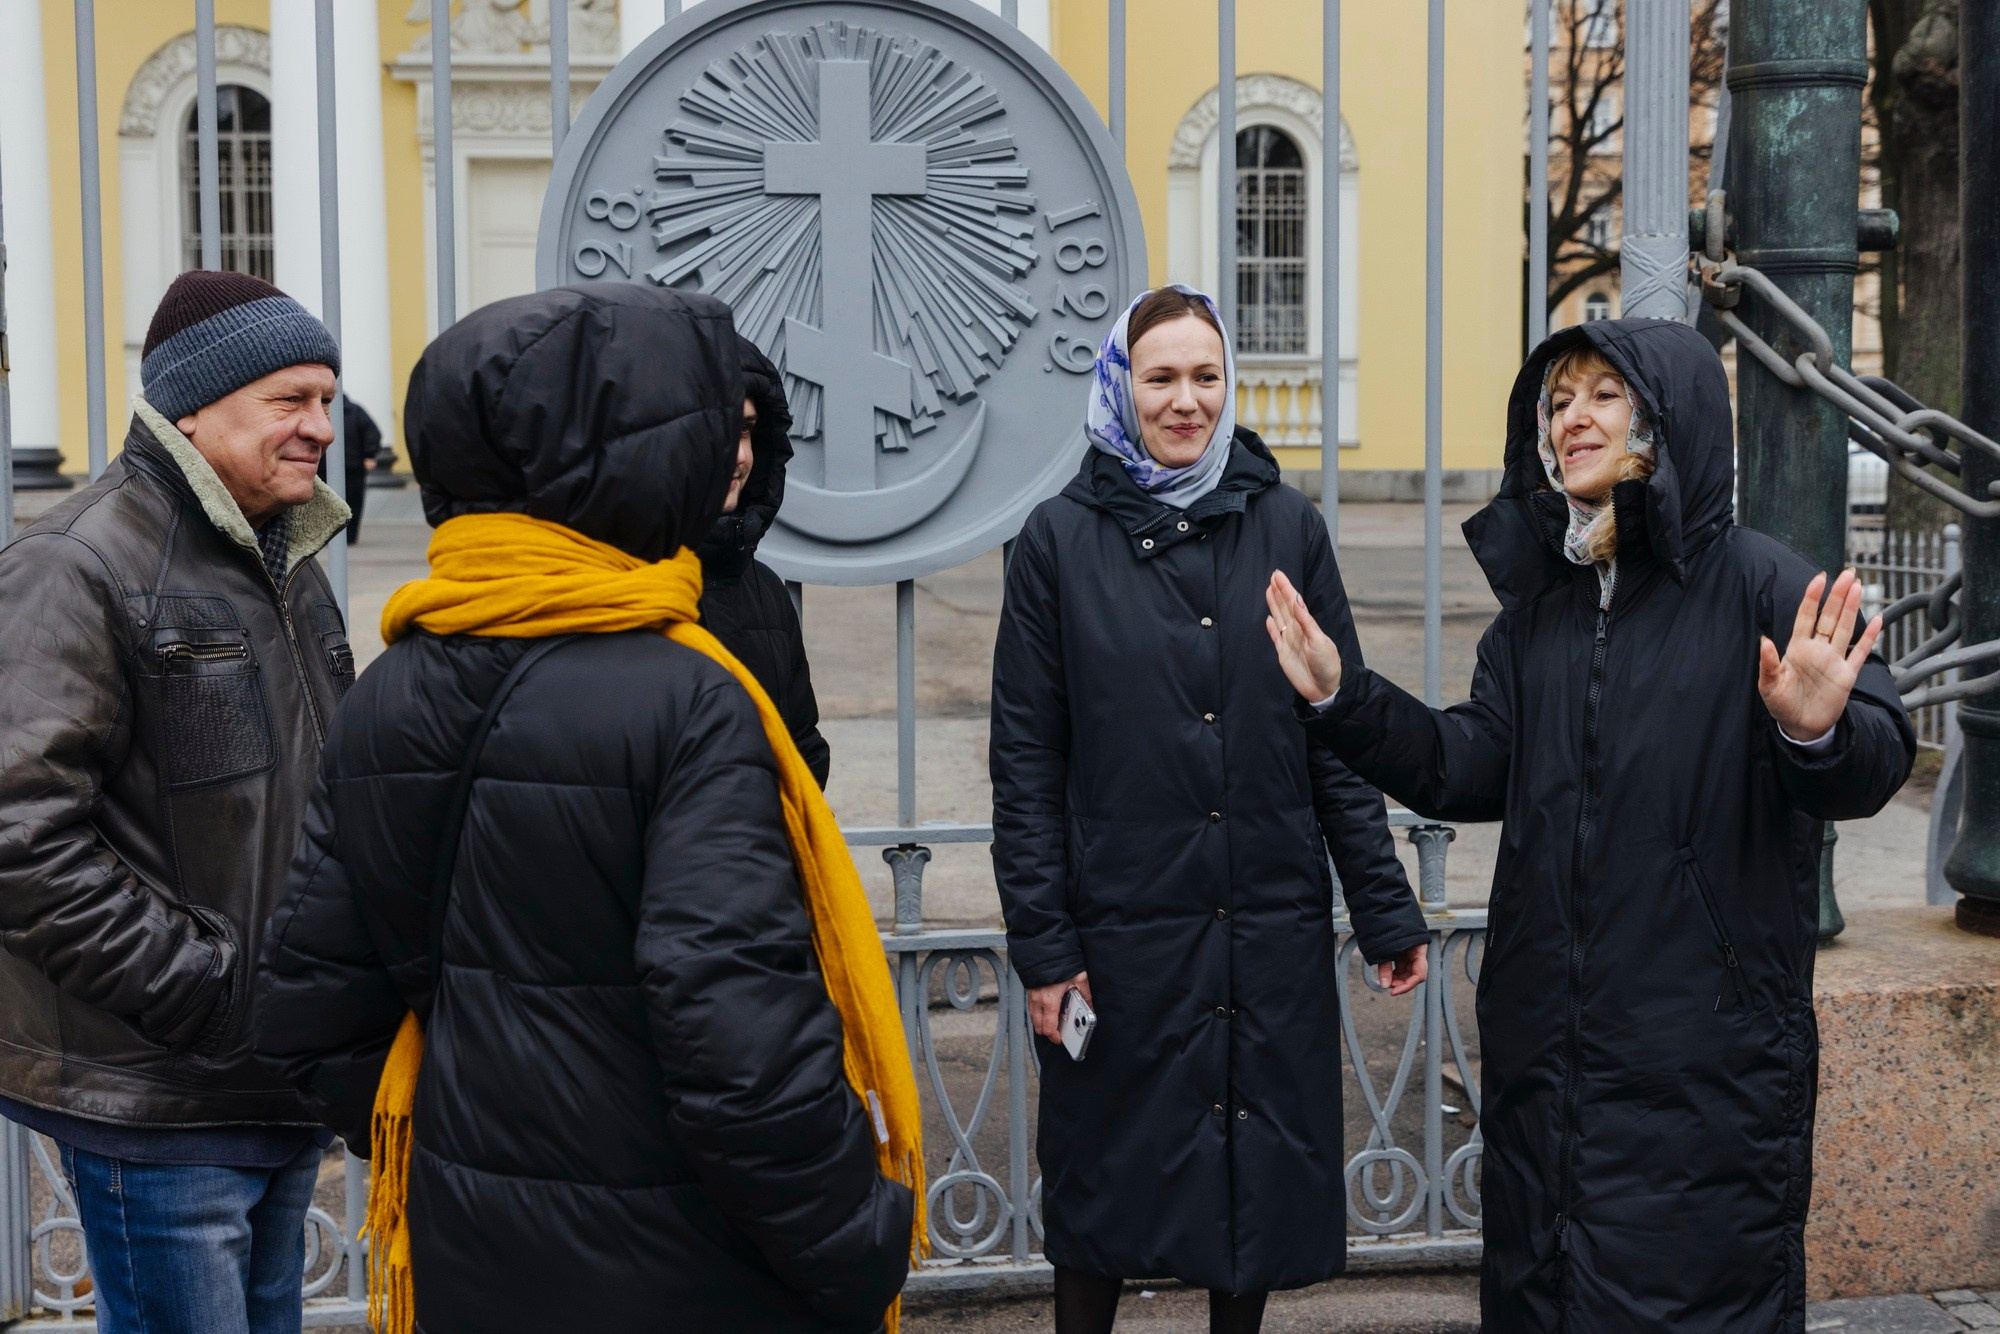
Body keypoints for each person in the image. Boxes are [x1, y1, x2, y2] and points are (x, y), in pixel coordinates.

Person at [250, 284, 918, 1334]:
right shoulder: (685, 695)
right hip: (688, 1266)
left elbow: (308, 1007)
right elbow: (738, 1042)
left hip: (472, 1258)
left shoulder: (393, 681)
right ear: (640, 459)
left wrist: (479, 1141)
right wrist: (856, 1241)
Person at [1264, 319, 1913, 1333]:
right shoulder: (1539, 613)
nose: (1570, 416)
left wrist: (1812, 729)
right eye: (1556, 399)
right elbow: (1459, 760)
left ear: (1664, 419)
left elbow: (1869, 761)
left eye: (1600, 394)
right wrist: (1344, 698)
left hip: (1698, 1070)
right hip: (1544, 1066)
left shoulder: (1757, 581)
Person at [989, 285, 1431, 1334]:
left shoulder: (1287, 525)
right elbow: (1024, 760)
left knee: (1249, 1183)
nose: (1184, 400)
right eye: (1160, 377)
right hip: (1122, 927)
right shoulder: (1056, 542)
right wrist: (1045, 946)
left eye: (1204, 376)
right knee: (1103, 1183)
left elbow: (1338, 726)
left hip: (1261, 917)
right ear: (1119, 387)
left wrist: (1382, 904)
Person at [0, 270, 355, 1334]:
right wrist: (207, 990)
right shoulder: (77, 561)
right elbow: (18, 834)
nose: (322, 428)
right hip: (159, 1087)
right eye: (290, 400)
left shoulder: (287, 560)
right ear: (194, 405)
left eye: (328, 400)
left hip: (277, 1071)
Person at [697, 335, 831, 785]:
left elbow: (802, 750)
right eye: (718, 431)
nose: (738, 456)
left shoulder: (766, 591)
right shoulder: (611, 586)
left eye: (746, 430)